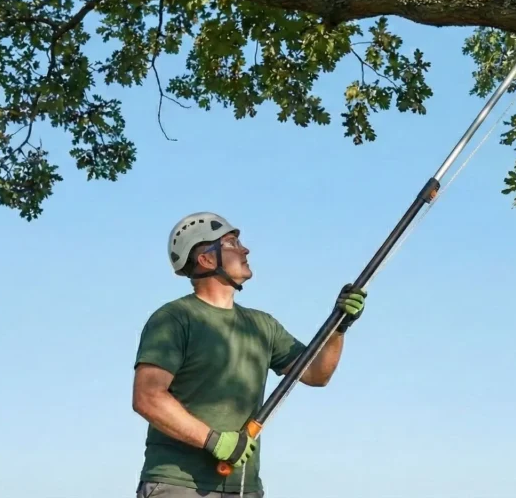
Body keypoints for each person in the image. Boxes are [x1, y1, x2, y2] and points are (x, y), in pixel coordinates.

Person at [132, 212, 366, 498]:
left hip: (244, 487)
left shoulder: (261, 325)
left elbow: (317, 374)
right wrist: (213, 441)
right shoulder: (175, 319)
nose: (245, 249)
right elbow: (148, 397)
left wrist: (338, 328)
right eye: (231, 243)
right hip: (178, 484)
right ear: (206, 259)